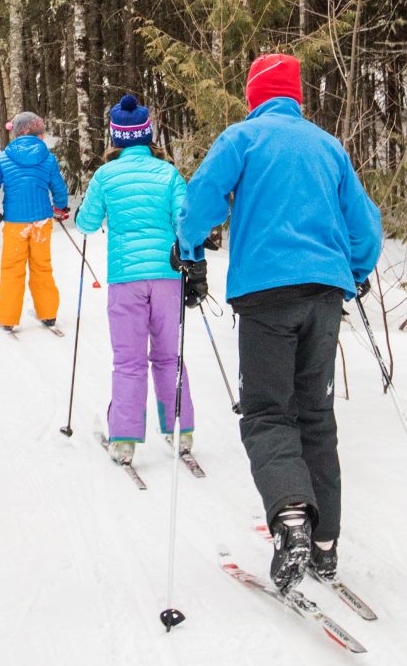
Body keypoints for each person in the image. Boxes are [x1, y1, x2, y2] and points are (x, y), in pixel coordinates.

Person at [177, 53, 382, 592]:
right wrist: (355, 271)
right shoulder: (328, 146)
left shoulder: (242, 139)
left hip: (266, 294)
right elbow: (366, 224)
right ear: (296, 95)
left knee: (268, 412)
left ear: (254, 94)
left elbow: (200, 200)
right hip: (323, 295)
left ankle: (291, 517)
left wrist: (188, 247)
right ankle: (324, 545)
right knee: (315, 413)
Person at [73, 94, 194, 467]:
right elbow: (186, 222)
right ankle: (181, 431)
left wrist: (84, 212)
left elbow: (87, 224)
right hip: (167, 277)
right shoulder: (168, 173)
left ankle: (124, 441)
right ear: (147, 134)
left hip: (126, 278)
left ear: (116, 137)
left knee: (128, 360)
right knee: (168, 355)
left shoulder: (106, 176)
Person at [0, 111, 69, 332]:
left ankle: (8, 318)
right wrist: (60, 208)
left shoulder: (2, 158)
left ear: (17, 133)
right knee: (42, 266)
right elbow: (58, 187)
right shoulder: (48, 159)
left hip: (15, 223)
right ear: (39, 135)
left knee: (12, 268)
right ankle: (48, 314)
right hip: (42, 222)